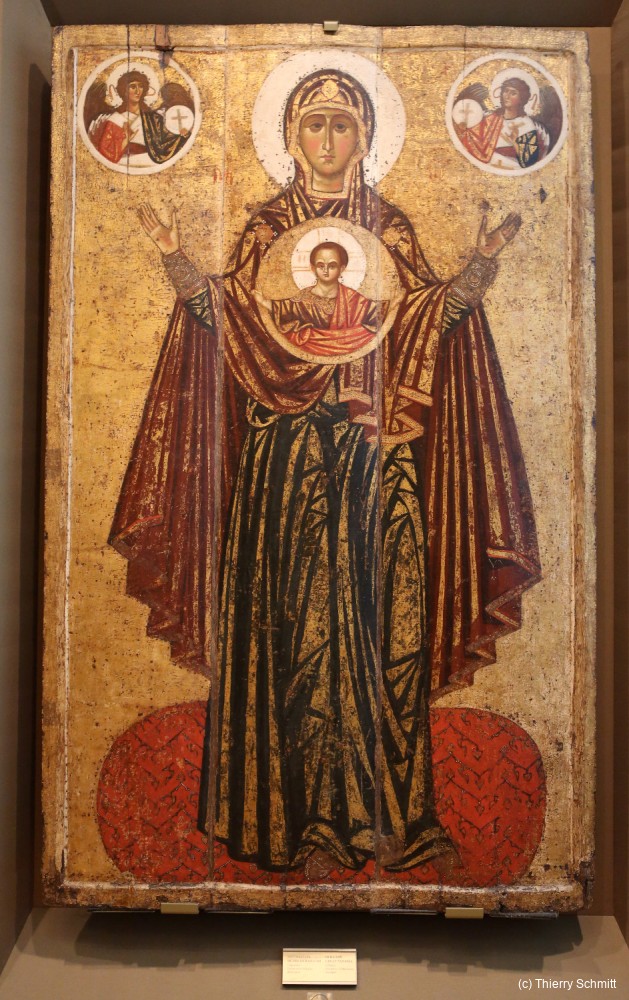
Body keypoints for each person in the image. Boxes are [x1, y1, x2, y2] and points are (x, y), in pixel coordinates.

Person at [110, 68, 541, 877]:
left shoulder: (391, 228)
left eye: (343, 124)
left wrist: (478, 268)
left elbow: (428, 318)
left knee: (392, 636)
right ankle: (295, 826)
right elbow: (226, 317)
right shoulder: (266, 229)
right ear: (290, 136)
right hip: (287, 465)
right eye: (314, 123)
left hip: (378, 460)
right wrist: (173, 256)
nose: (328, 139)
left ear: (365, 136)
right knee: (294, 636)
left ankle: (393, 820)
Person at [254, 240, 399, 362]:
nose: (326, 270)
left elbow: (376, 312)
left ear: (342, 268)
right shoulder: (300, 300)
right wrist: (264, 302)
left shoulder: (355, 300)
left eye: (332, 265)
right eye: (320, 265)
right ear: (313, 268)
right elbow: (282, 309)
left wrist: (392, 304)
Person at [88, 70, 190, 167]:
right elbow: (105, 152)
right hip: (123, 164)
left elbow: (166, 142)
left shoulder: (153, 118)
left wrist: (182, 135)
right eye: (133, 87)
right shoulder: (115, 119)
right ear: (124, 90)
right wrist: (125, 140)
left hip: (151, 164)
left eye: (141, 86)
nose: (138, 91)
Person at [459, 76, 550, 170]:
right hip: (488, 165)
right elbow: (473, 138)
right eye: (506, 91)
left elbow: (529, 161)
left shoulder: (526, 124)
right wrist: (463, 129)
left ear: (521, 99)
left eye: (513, 93)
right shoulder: (492, 118)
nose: (507, 96)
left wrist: (515, 142)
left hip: (513, 167)